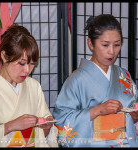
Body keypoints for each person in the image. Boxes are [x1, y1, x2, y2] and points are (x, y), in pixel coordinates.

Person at [53, 14, 138, 147]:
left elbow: (133, 111)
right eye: (105, 45)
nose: (112, 52)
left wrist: (134, 117)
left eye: (117, 45)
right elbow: (61, 122)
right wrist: (97, 110)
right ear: (90, 44)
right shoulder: (76, 80)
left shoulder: (124, 75)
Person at [0, 24, 58, 147]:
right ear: (4, 56)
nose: (27, 70)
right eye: (21, 63)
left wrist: (47, 126)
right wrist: (10, 126)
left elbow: (44, 132)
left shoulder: (33, 86)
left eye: (32, 64)